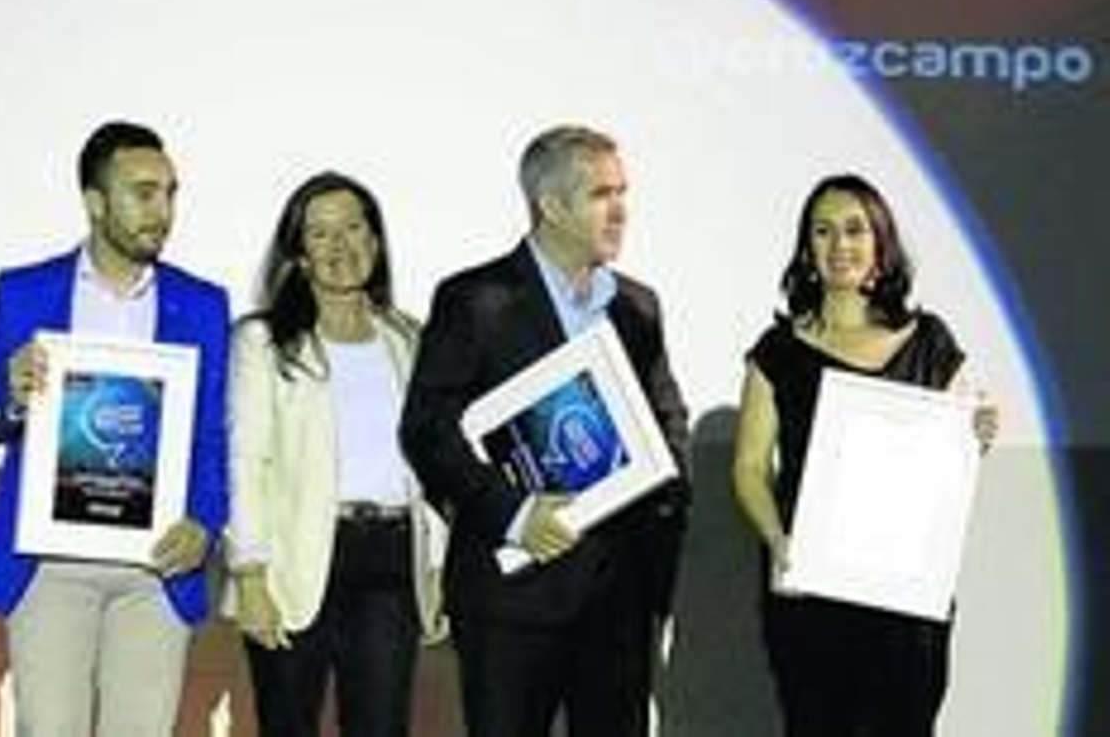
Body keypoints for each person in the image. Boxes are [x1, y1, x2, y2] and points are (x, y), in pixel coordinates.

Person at [399, 124, 690, 736]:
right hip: (512, 599)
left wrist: (663, 517)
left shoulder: (638, 306)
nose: (620, 210)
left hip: (618, 598)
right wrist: (513, 514)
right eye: (601, 194)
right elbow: (429, 432)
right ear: (551, 205)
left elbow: (668, 421)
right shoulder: (474, 300)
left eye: (623, 191)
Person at [0, 120, 229, 736]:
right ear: (94, 201)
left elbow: (216, 434)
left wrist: (207, 523)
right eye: (143, 192)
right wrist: (7, 392)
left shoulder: (203, 304)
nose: (161, 210)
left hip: (156, 568)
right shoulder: (24, 292)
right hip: (49, 565)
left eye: (169, 193)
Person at [730, 173, 1000, 736]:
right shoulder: (777, 352)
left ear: (881, 242)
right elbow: (750, 468)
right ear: (807, 249)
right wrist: (780, 541)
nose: (839, 245)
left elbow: (961, 446)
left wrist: (979, 429)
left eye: (854, 229)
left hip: (906, 594)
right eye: (822, 231)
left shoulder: (930, 343)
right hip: (811, 593)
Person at [226, 172, 448, 736]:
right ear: (298, 253)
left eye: (353, 227)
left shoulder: (410, 339)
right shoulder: (263, 342)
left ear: (375, 241)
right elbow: (246, 461)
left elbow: (431, 462)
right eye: (319, 233)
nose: (340, 246)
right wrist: (249, 575)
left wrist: (438, 564)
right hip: (293, 563)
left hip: (392, 563)